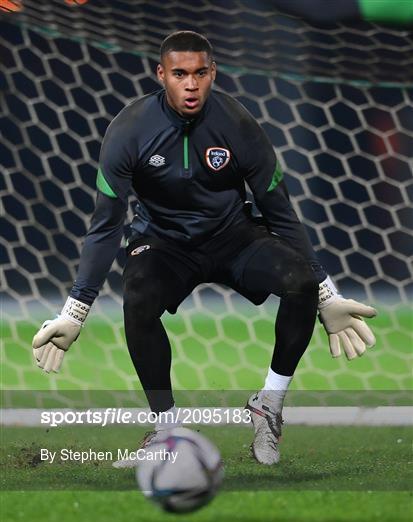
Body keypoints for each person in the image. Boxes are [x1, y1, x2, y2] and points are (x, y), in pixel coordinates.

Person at [32, 31, 377, 466]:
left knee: (300, 282)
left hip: (233, 237)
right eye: (180, 74)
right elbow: (105, 226)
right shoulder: (129, 130)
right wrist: (74, 311)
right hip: (163, 243)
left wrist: (325, 293)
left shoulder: (238, 125)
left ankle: (268, 405)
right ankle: (167, 429)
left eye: (200, 73)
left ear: (213, 73)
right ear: (161, 75)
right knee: (137, 296)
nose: (191, 85)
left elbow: (279, 210)